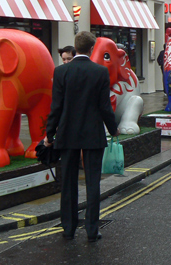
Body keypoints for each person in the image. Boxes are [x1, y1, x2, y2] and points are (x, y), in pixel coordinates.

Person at [44, 31, 119, 243]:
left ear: (76, 48)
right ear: (92, 48)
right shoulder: (100, 73)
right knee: (92, 182)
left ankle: (68, 228)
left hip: (67, 133)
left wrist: (50, 133)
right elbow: (105, 107)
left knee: (68, 183)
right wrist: (113, 129)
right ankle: (92, 229)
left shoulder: (61, 72)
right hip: (92, 134)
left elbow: (56, 107)